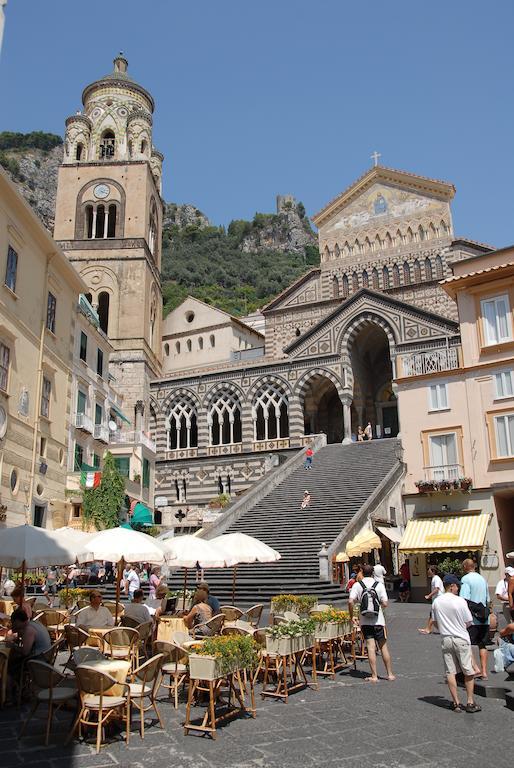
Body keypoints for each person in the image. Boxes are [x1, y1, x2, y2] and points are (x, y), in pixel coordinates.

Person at [431, 574, 481, 713]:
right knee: (468, 671)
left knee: (450, 671)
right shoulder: (460, 601)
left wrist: (444, 628)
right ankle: (470, 702)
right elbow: (469, 621)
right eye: (457, 585)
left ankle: (456, 703)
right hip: (461, 638)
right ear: (451, 586)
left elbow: (434, 622)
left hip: (446, 639)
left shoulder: (437, 602)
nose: (458, 588)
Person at [349, 563, 395, 683]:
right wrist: (378, 607)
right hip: (378, 620)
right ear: (373, 573)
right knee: (383, 646)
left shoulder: (357, 585)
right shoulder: (378, 585)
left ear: (362, 573)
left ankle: (374, 676)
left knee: (370, 647)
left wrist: (352, 616)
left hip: (364, 621)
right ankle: (390, 674)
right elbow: (385, 603)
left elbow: (350, 601)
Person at [459, 558, 489, 680]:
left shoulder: (465, 579)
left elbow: (464, 599)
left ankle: (473, 668)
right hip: (484, 616)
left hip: (471, 618)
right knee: (483, 644)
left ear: (466, 567)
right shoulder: (482, 579)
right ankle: (484, 672)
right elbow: (487, 599)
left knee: (468, 644)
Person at [418, 565, 444, 634]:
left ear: (433, 571)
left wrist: (429, 596)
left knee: (433, 614)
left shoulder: (436, 578)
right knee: (432, 614)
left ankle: (429, 629)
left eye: (429, 570)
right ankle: (428, 628)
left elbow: (437, 589)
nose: (427, 572)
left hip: (439, 600)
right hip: (436, 600)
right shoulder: (434, 578)